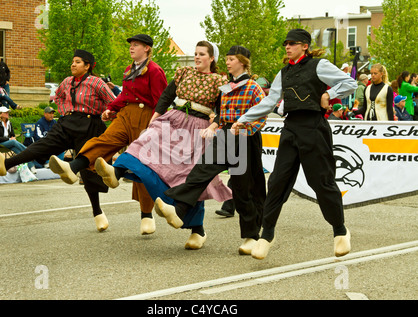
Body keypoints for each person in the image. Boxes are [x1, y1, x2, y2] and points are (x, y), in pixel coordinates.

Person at [93, 41, 233, 248]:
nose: (196, 57)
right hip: (173, 119)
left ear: (212, 58)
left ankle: (197, 230)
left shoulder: (222, 81)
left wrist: (213, 126)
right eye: (195, 53)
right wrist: (155, 116)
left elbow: (226, 108)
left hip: (197, 128)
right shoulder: (183, 72)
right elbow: (167, 96)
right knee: (144, 143)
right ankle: (117, 172)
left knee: (189, 177)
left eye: (201, 54)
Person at [231, 29, 357, 260]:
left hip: (314, 128)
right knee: (277, 182)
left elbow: (350, 82)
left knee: (321, 182)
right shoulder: (283, 73)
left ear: (305, 46)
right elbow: (270, 101)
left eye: (292, 43)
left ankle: (340, 230)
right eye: (286, 44)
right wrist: (242, 119)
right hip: (290, 129)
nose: (287, 47)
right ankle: (266, 235)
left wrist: (330, 94)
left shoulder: (319, 65)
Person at [48, 35, 167, 234]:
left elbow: (161, 101)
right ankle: (73, 167)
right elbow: (124, 95)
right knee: (104, 140)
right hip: (125, 114)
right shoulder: (129, 69)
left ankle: (146, 215)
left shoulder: (155, 71)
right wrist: (111, 108)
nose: (131, 48)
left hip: (146, 116)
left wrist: (155, 125)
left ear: (146, 48)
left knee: (143, 164)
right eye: (130, 45)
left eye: (135, 45)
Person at [155, 45, 268, 255]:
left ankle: (252, 236)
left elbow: (263, 114)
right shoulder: (225, 86)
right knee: (201, 171)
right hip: (224, 135)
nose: (227, 62)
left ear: (242, 62)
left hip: (244, 138)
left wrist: (244, 126)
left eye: (232, 59)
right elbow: (219, 112)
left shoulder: (253, 87)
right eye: (227, 58)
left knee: (243, 188)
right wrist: (214, 125)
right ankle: (178, 210)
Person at [0, 49, 116, 232]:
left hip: (89, 125)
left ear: (87, 66)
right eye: (73, 61)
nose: (73, 64)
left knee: (90, 173)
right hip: (66, 123)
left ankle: (97, 212)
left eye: (78, 62)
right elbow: (58, 97)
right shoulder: (66, 82)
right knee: (42, 146)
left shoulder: (96, 82)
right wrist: (64, 112)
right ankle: (5, 162)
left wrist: (106, 114)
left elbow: (113, 102)